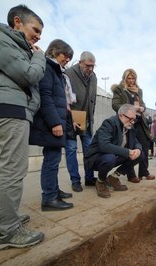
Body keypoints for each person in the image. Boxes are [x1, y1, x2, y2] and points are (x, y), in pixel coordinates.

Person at [0, 4, 45, 250]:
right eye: (35, 30)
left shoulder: (8, 42)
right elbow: (27, 75)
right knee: (14, 169)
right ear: (17, 22)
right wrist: (39, 56)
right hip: (7, 107)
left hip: (9, 106)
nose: (37, 37)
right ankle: (7, 231)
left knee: (7, 168)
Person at [29, 39, 74, 211]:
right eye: (65, 56)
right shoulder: (47, 67)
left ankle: (53, 190)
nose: (67, 60)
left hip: (57, 119)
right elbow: (45, 96)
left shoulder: (55, 70)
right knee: (51, 160)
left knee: (54, 157)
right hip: (51, 122)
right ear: (54, 51)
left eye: (69, 58)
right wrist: (55, 122)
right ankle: (49, 198)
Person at [84, 104, 143, 198]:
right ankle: (100, 181)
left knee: (140, 154)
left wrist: (138, 150)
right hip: (96, 158)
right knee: (109, 158)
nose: (132, 122)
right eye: (130, 118)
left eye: (134, 119)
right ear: (121, 115)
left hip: (113, 157)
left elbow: (136, 142)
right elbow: (104, 145)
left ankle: (113, 178)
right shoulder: (109, 123)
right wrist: (127, 152)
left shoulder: (129, 126)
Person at [111, 68, 155, 182]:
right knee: (130, 147)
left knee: (144, 147)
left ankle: (144, 172)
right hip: (128, 122)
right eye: (129, 78)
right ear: (124, 78)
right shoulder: (119, 90)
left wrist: (142, 108)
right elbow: (115, 105)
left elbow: (143, 104)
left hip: (139, 122)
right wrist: (129, 108)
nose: (131, 80)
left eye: (133, 78)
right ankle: (131, 175)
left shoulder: (139, 91)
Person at [65, 51, 98, 191]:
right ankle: (75, 180)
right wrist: (69, 116)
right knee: (71, 149)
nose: (90, 69)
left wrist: (91, 116)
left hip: (87, 117)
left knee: (89, 150)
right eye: (88, 66)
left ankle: (89, 178)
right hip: (72, 116)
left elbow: (93, 99)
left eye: (93, 66)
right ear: (80, 62)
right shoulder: (68, 73)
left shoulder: (94, 77)